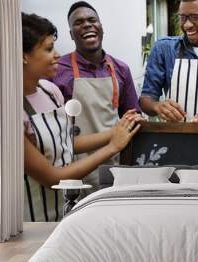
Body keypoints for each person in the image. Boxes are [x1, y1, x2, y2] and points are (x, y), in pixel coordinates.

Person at [22, 13, 141, 222]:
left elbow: (67, 142)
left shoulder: (50, 91)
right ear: (24, 55)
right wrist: (112, 146)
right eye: (49, 49)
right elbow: (52, 177)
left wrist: (116, 132)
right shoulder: (11, 110)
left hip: (65, 209)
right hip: (33, 217)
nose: (57, 54)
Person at [52, 1, 141, 187]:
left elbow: (133, 116)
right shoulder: (57, 70)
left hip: (114, 167)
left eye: (92, 20)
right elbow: (52, 132)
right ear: (71, 34)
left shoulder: (121, 69)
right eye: (78, 22)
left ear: (101, 27)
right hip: (73, 166)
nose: (86, 24)